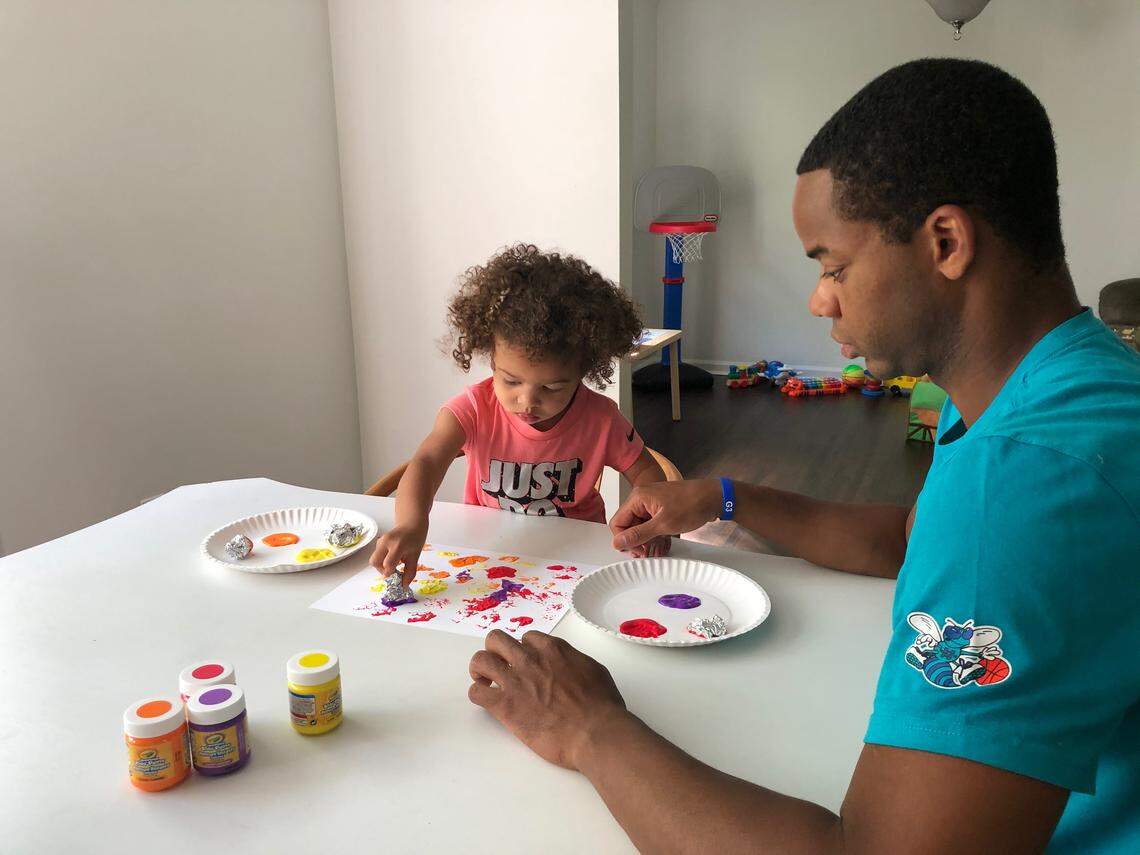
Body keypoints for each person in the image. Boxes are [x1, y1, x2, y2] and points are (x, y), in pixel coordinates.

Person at [467, 59, 1140, 853]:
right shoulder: (1076, 380)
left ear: (947, 242)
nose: (820, 298)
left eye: (833, 265)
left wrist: (587, 728)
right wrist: (725, 496)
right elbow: (908, 540)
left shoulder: (1028, 477)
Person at [371, 243, 670, 585]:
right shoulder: (472, 409)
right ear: (491, 359)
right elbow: (425, 462)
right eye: (510, 381)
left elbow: (646, 470)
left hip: (578, 559)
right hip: (488, 553)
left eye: (553, 388)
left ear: (584, 370)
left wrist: (648, 516)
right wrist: (411, 523)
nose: (527, 401)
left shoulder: (601, 419)